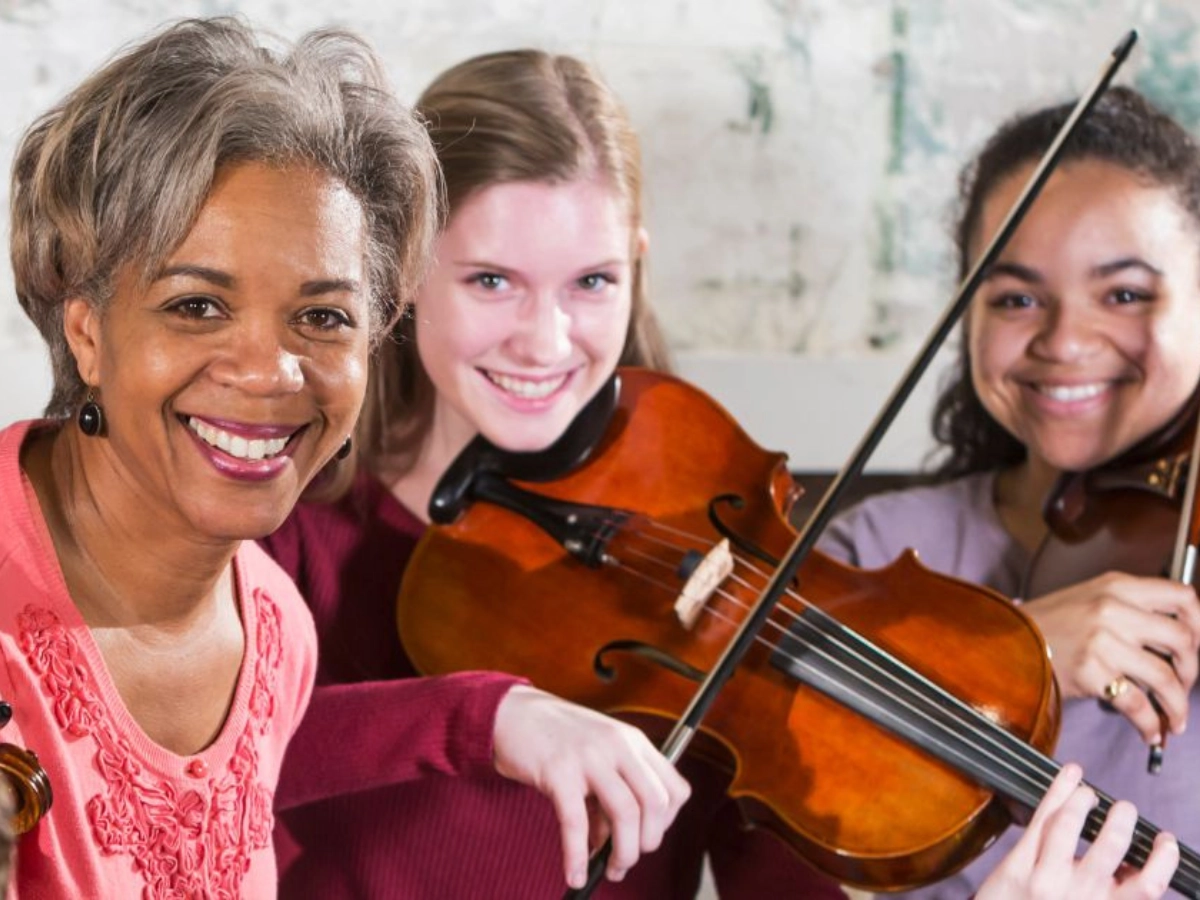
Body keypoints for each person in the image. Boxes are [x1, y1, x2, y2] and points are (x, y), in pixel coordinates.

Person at [263, 50, 1179, 899]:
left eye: (592, 282)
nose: (546, 341)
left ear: (637, 270)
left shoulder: (710, 520)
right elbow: (194, 753)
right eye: (492, 281)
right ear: (403, 269)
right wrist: (490, 718)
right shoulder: (288, 515)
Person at [0, 15, 439, 897]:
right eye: (197, 306)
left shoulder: (278, 629)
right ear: (86, 331)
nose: (270, 375)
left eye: (323, 317)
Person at [819, 85, 1200, 898]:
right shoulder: (872, 556)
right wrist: (1014, 656)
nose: (1064, 341)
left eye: (1125, 293)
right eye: (1017, 298)